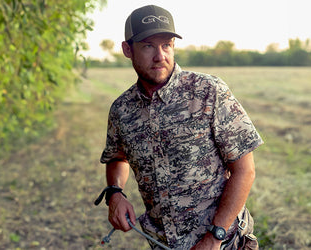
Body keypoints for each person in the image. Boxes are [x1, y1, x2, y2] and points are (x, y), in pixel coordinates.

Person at [96, 5, 262, 250]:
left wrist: (214, 237)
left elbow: (244, 171)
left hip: (226, 243)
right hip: (163, 244)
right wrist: (115, 192)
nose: (160, 55)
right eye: (148, 45)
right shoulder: (122, 110)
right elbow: (117, 157)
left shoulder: (209, 91)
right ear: (127, 49)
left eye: (167, 45)